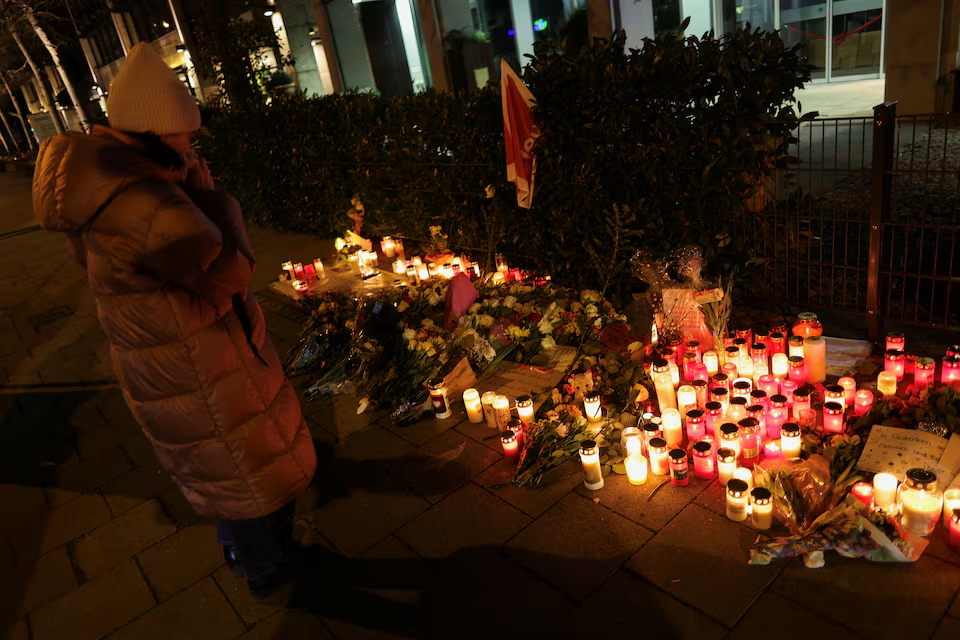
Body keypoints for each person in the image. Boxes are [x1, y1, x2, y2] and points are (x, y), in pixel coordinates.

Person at [31, 43, 317, 601]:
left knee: (227, 468)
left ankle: (248, 552)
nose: (193, 142)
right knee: (243, 474)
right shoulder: (149, 204)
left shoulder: (108, 186)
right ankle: (265, 570)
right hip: (193, 360)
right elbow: (229, 272)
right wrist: (213, 200)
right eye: (186, 133)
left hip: (171, 356)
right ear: (157, 132)